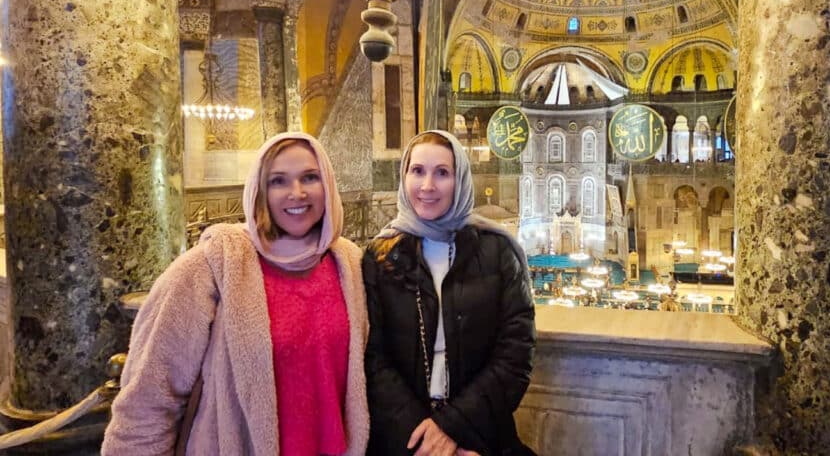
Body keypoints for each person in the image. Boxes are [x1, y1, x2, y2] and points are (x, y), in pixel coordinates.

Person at [103, 132, 369, 455]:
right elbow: (149, 396)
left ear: (327, 184)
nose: (296, 193)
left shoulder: (349, 263)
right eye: (278, 181)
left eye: (310, 177)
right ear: (259, 190)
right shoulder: (213, 264)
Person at [363, 130, 536, 456]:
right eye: (418, 171)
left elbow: (515, 355)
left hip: (481, 435)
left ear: (460, 180)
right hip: (405, 441)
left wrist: (453, 429)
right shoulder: (380, 256)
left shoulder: (498, 251)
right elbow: (373, 359)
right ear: (404, 176)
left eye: (442, 173)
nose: (427, 186)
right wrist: (425, 441)